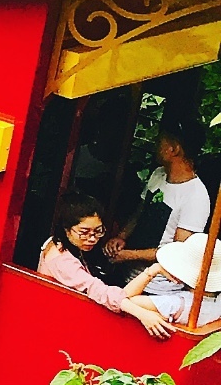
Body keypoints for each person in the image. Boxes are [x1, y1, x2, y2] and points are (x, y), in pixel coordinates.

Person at [39, 196, 175, 337]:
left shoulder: (63, 244)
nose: (92, 238)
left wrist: (153, 270)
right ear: (67, 230)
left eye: (98, 231)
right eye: (84, 232)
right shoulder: (62, 261)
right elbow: (96, 288)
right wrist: (142, 314)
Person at [107, 124, 210, 265]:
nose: (156, 146)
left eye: (160, 141)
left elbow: (178, 250)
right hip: (129, 271)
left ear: (174, 149)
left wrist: (130, 255)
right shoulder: (158, 174)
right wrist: (121, 237)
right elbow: (139, 213)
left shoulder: (196, 197)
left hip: (157, 283)